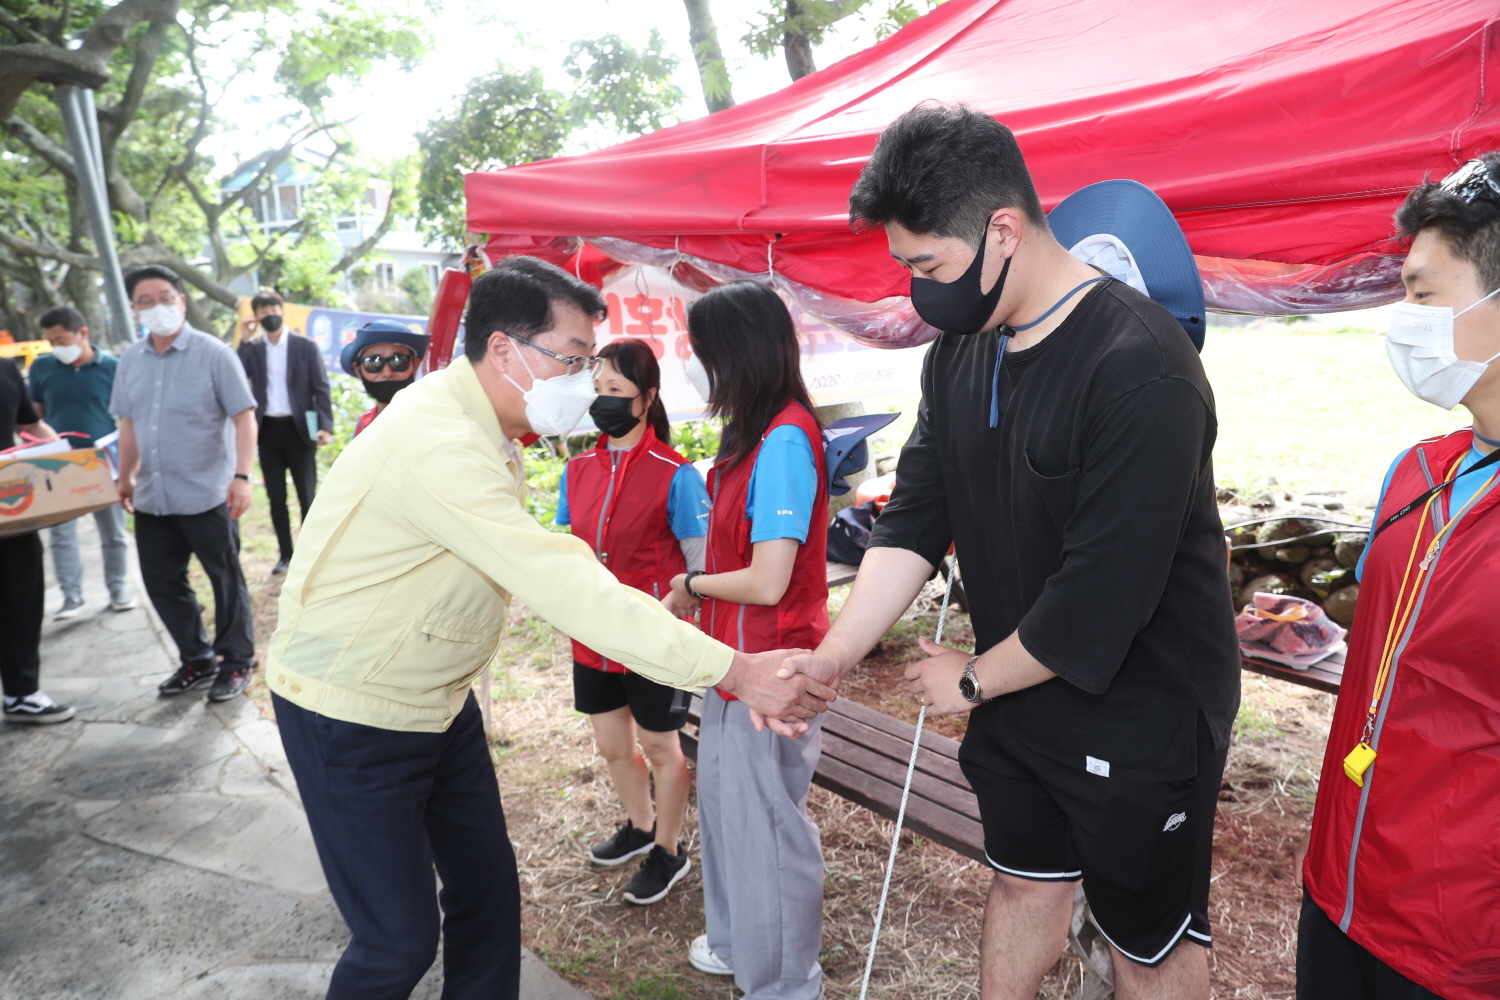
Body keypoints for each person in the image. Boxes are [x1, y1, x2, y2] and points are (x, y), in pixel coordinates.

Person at [266, 255, 833, 1000]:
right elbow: (567, 583)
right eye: (571, 361)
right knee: (396, 938)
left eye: (588, 363)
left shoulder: (477, 421)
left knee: (488, 897)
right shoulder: (439, 443)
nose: (582, 383)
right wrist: (732, 669)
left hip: (434, 701)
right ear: (503, 349)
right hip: (351, 707)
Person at [784, 105, 1240, 1000]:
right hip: (1018, 692)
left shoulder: (1140, 366)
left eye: (928, 265)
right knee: (1024, 875)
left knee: (1149, 938)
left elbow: (1100, 602)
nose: (921, 289)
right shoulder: (962, 350)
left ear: (1004, 230)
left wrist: (968, 681)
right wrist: (837, 653)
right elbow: (914, 516)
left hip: (1139, 711)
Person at [1294, 157, 1500, 1000]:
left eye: (1422, 293)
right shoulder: (1417, 471)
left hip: (1457, 940)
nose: (1401, 320)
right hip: (1339, 888)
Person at [662, 281, 831, 1000]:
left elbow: (767, 580)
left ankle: (787, 981)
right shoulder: (751, 436)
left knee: (766, 826)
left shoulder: (786, 438)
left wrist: (691, 586)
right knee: (729, 808)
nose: (694, 367)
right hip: (734, 662)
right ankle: (737, 943)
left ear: (736, 353)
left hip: (773, 663)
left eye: (700, 353)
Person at [556, 337, 709, 905]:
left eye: (615, 391)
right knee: (613, 745)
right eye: (597, 390)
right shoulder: (577, 469)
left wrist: (669, 618)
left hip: (650, 638)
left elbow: (700, 570)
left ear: (646, 399)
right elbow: (570, 548)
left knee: (662, 746)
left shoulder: (677, 473)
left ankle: (669, 851)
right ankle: (640, 826)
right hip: (592, 636)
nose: (603, 401)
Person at [111, 264, 259, 704]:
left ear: (181, 300)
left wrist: (242, 477)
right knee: (162, 582)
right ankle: (197, 657)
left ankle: (236, 662)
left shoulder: (214, 354)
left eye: (164, 297)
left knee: (225, 581)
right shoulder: (130, 361)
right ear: (134, 308)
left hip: (209, 492)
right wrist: (126, 474)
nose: (157, 307)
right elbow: (129, 424)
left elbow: (244, 417)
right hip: (153, 497)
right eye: (146, 300)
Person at [29, 305, 136, 616]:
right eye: (51, 342)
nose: (56, 348)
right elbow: (35, 414)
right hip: (57, 465)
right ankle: (71, 596)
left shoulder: (112, 367)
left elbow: (128, 417)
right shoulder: (41, 367)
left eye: (62, 340)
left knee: (113, 533)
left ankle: (118, 590)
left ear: (82, 333)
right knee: (61, 535)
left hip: (102, 463)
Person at [236, 289, 334, 575]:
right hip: (266, 430)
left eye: (273, 310)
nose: (269, 316)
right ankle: (286, 555)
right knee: (276, 497)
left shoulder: (305, 346)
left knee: (307, 494)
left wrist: (325, 426)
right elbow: (237, 377)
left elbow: (321, 387)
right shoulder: (253, 349)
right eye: (262, 312)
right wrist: (243, 340)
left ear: (283, 310)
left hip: (300, 429)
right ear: (256, 317)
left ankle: (311, 554)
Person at [0, 359, 73, 723]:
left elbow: (31, 424)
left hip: (11, 512)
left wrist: (68, 458)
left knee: (22, 599)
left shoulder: (6, 370)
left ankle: (22, 693)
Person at [341, 320, 429, 437]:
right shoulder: (363, 425)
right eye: (373, 362)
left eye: (398, 361)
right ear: (358, 370)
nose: (387, 372)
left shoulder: (431, 420)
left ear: (415, 365)